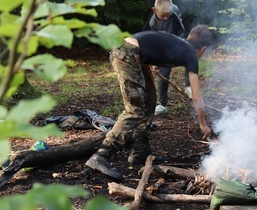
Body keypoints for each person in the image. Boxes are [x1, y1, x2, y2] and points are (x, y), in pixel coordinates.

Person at [85, 26, 214, 181]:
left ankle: (140, 151)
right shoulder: (190, 54)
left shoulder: (182, 46)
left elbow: (190, 89)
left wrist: (152, 62)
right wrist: (203, 124)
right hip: (127, 54)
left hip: (136, 54)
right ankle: (101, 155)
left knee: (150, 100)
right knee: (134, 110)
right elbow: (196, 95)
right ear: (203, 48)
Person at [143, 0, 186, 115]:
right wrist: (152, 62)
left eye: (169, 15)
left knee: (164, 71)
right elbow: (148, 42)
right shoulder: (151, 23)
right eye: (163, 16)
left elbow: (178, 36)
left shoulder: (173, 16)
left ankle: (162, 104)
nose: (166, 18)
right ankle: (148, 101)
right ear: (154, 10)